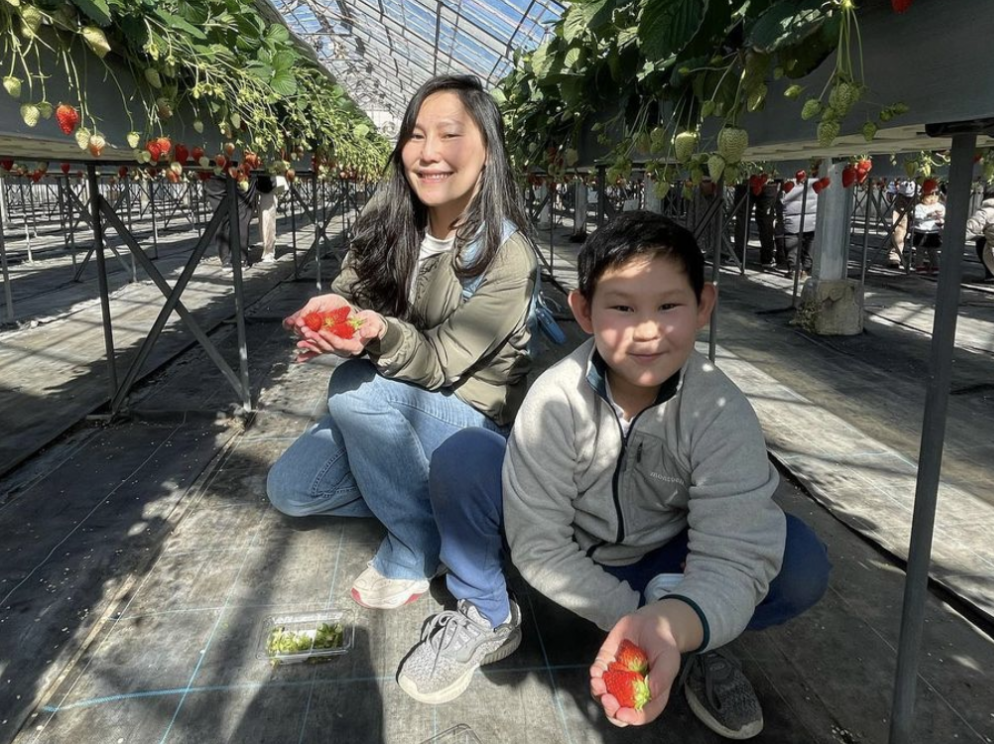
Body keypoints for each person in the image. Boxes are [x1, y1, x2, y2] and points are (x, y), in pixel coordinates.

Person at [408, 211, 831, 737]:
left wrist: (676, 621)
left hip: (672, 564)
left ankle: (701, 637)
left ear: (704, 306)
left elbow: (735, 552)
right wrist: (633, 616)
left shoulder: (720, 412)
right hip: (574, 558)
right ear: (583, 311)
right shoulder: (555, 401)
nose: (647, 330)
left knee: (798, 562)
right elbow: (540, 544)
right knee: (465, 457)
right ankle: (488, 614)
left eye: (669, 305)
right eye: (623, 307)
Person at [266, 75, 537, 627]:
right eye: (416, 136)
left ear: (487, 150)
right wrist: (333, 309)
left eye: (449, 135)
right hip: (396, 396)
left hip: (469, 419)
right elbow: (354, 292)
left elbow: (438, 364)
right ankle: (448, 504)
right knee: (292, 490)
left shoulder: (507, 257)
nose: (429, 153)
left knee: (351, 390)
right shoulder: (391, 219)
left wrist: (378, 336)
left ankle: (418, 542)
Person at [776, 176, 818, 278]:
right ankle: (806, 270)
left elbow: (780, 201)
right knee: (809, 244)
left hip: (792, 219)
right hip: (811, 219)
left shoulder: (787, 178)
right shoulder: (816, 178)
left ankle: (794, 270)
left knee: (791, 245)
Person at [911, 179, 945, 274]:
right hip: (921, 231)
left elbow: (943, 215)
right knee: (920, 251)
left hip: (933, 232)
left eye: (935, 196)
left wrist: (940, 217)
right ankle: (919, 266)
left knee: (933, 251)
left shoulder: (939, 206)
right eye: (929, 196)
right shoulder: (919, 207)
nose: (932, 199)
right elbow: (916, 216)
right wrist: (928, 215)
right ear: (923, 196)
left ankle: (935, 266)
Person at [886, 178, 917, 268]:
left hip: (922, 194)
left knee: (921, 228)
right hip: (902, 195)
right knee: (899, 228)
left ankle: (918, 254)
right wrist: (891, 189)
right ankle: (895, 255)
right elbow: (895, 175)